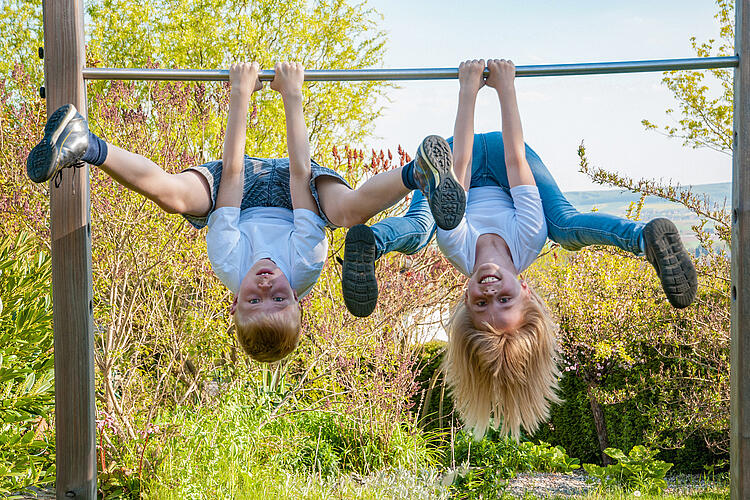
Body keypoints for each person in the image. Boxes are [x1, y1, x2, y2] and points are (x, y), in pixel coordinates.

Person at [343, 59, 698, 439]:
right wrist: (505, 88)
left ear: (465, 298)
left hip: (452, 161)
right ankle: (645, 239)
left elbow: (459, 161)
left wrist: (467, 91)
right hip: (503, 155)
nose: (491, 292)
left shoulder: (455, 245)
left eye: (481, 304)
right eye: (505, 300)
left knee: (423, 226)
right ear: (525, 290)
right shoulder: (530, 237)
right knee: (561, 224)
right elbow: (515, 157)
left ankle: (371, 243)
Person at [26, 61, 465, 362]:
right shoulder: (306, 266)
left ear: (235, 300)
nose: (267, 285)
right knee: (347, 212)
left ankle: (85, 143)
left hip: (240, 191)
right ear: (299, 299)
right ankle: (417, 173)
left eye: (255, 300)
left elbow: (232, 175)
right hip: (299, 191)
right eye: (279, 297)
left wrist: (240, 95)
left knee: (178, 198)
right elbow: (298, 175)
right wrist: (293, 96)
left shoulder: (230, 264)